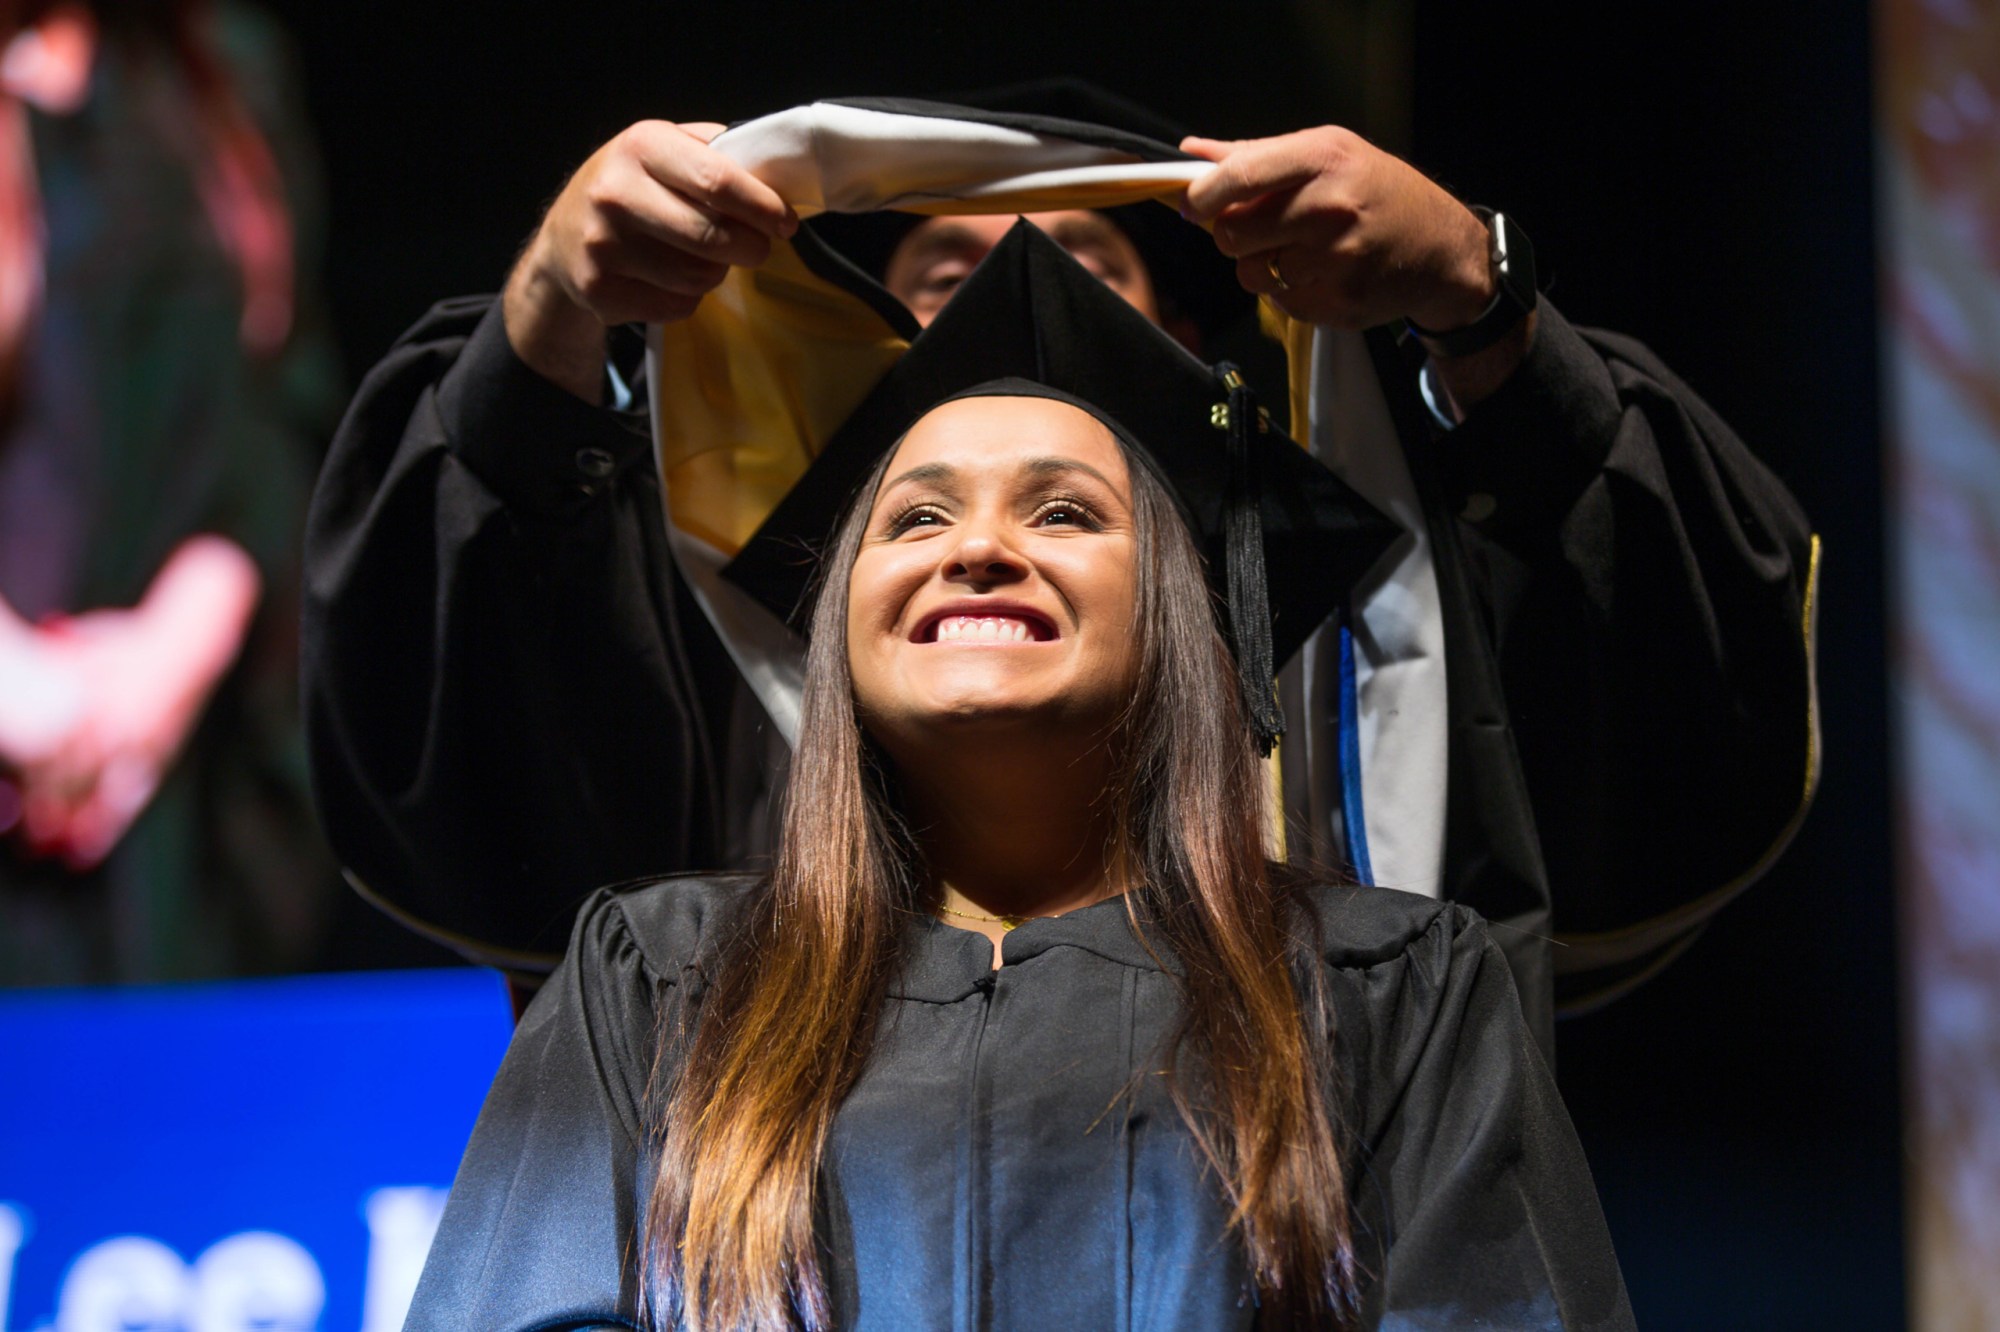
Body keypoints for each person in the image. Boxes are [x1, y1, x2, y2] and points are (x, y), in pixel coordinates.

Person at [304, 97, 1819, 1042]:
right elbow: (469, 673)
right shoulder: (665, 962)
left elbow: (1666, 684)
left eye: (1091, 265)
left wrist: (1488, 297)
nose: (1012, 296)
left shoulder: (1397, 965)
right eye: (943, 276)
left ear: (1189, 359)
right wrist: (555, 315)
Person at [402, 226, 1635, 1331]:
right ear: (837, 622)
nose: (980, 547)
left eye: (1061, 514)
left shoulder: (1390, 997)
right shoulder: (659, 987)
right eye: (916, 520)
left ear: (1180, 614)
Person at [0, 0, 342, 984]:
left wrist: (170, 656)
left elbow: (281, 398)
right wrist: (25, 694)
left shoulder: (216, 73)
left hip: (182, 772)